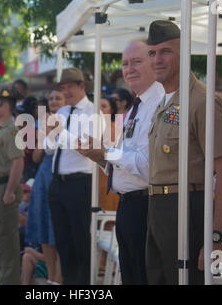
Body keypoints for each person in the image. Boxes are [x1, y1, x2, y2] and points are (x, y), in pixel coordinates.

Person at [145, 20, 222, 285]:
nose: (157, 59)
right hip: (159, 212)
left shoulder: (202, 100)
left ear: (183, 52)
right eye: (152, 53)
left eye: (165, 51)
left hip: (190, 212)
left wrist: (216, 240)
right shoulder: (164, 102)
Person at [77, 39, 165, 285]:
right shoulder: (137, 107)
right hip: (127, 206)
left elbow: (147, 165)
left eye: (137, 62)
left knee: (143, 277)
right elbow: (125, 160)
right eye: (125, 63)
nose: (129, 69)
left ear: (154, 63)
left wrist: (106, 152)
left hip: (148, 206)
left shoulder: (162, 105)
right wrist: (99, 157)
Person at [47, 67, 95, 285]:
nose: (65, 92)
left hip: (79, 183)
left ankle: (82, 285)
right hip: (58, 183)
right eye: (63, 88)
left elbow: (84, 147)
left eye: (69, 87)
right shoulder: (63, 112)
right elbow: (50, 149)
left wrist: (59, 131)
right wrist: (48, 133)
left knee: (80, 241)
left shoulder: (92, 112)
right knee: (63, 242)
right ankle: (68, 282)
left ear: (81, 86)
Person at [0, 85, 24, 285]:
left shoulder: (11, 130)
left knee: (8, 242)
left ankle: (8, 281)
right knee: (2, 239)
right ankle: (3, 279)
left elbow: (18, 162)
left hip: (4, 188)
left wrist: (9, 191)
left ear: (5, 105)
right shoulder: (0, 129)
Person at [25, 89, 65, 286]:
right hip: (44, 175)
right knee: (44, 228)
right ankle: (50, 276)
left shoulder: (72, 119)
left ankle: (58, 279)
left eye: (58, 97)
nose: (54, 101)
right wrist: (46, 133)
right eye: (51, 98)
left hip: (62, 175)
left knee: (58, 229)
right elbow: (36, 156)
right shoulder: (42, 121)